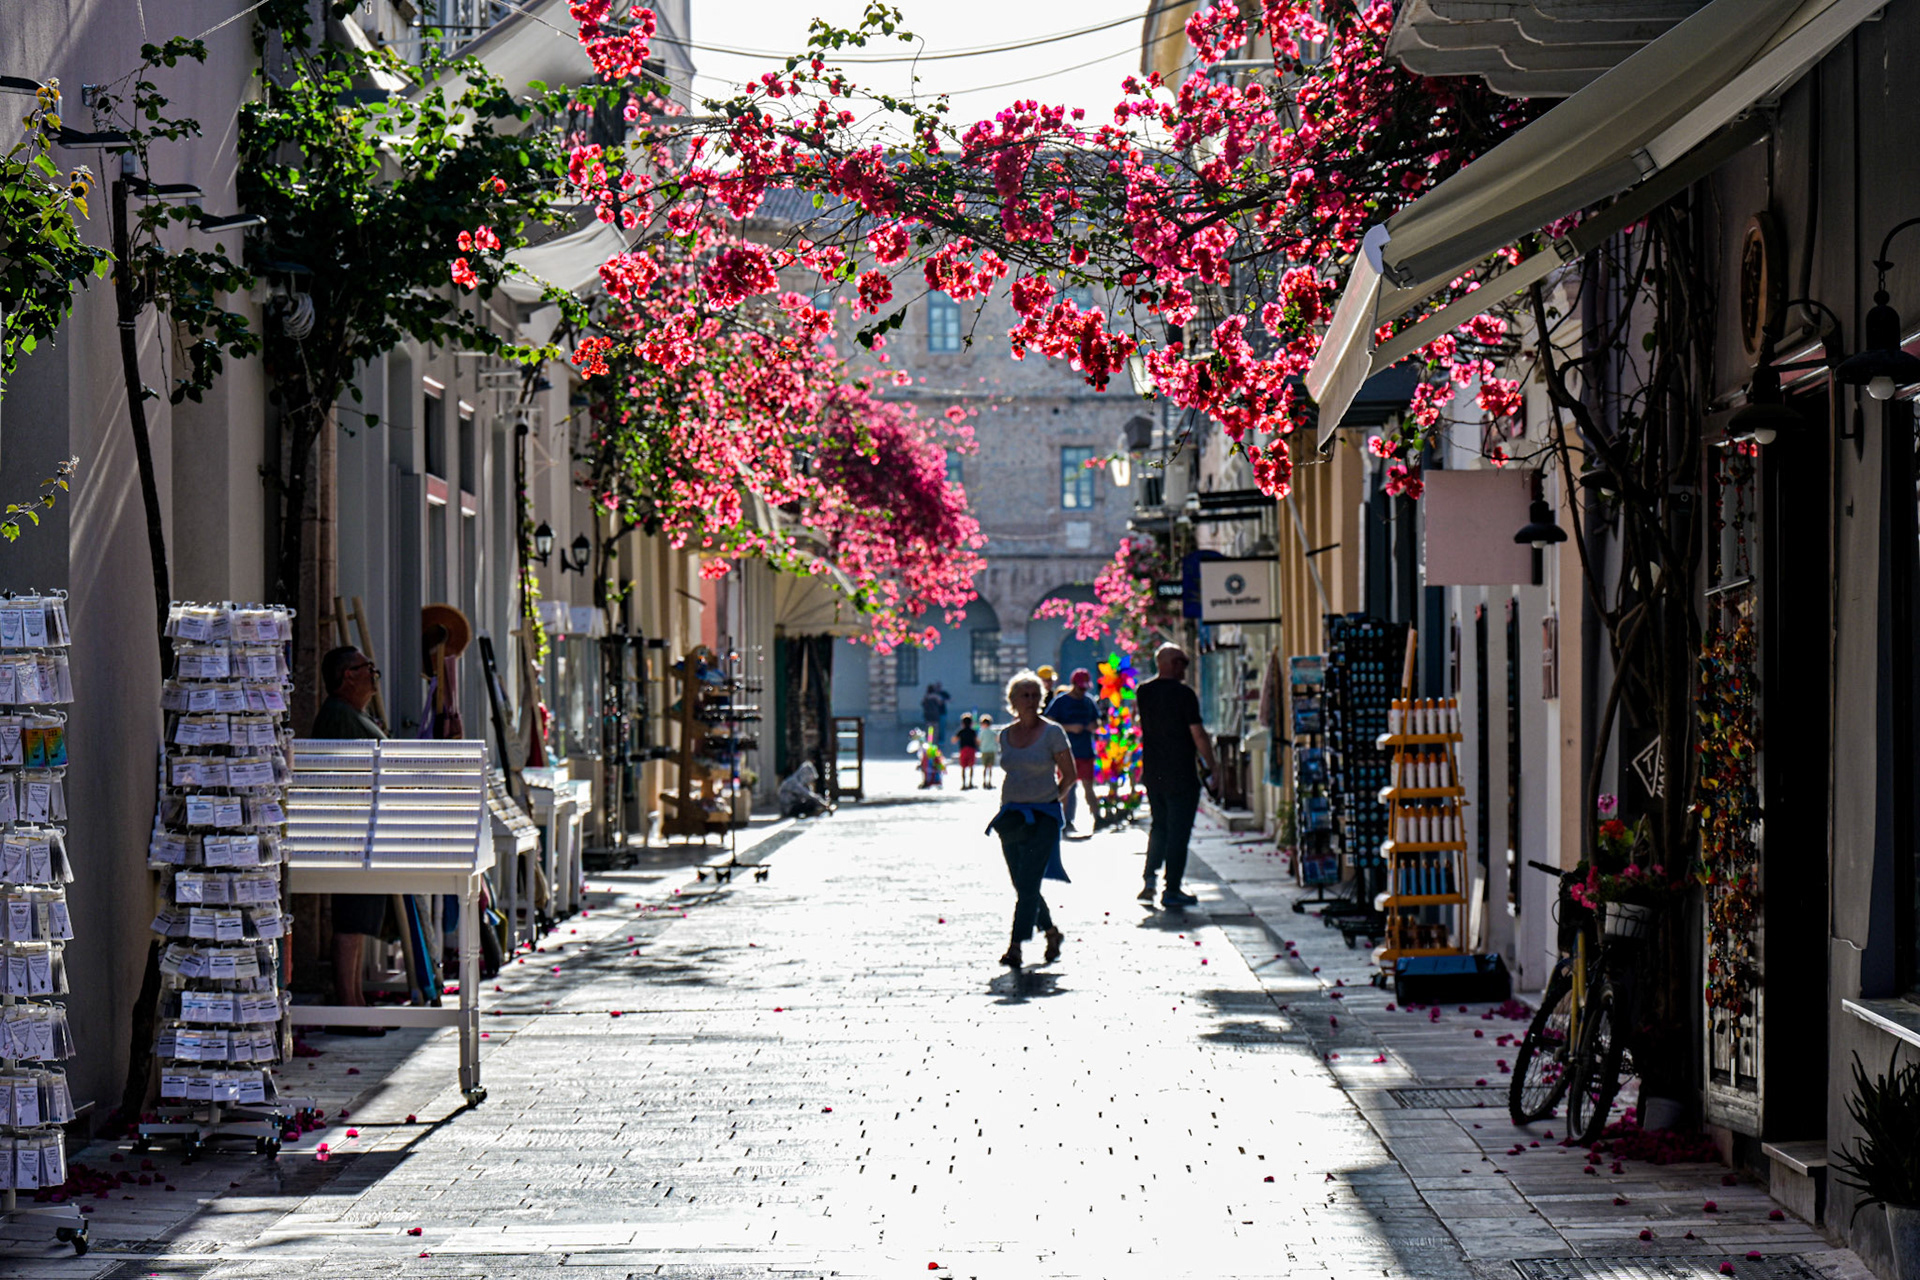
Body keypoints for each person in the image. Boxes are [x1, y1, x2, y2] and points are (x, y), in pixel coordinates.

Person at [314, 645, 388, 1034]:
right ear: (348, 676)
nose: (374, 674)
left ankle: (355, 1001)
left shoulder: (351, 714)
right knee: (351, 920)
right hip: (349, 834)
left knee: (358, 920)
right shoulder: (340, 715)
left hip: (360, 833)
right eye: (367, 668)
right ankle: (347, 1006)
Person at [986, 671, 1074, 969]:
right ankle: (1051, 932)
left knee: (1028, 882)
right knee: (1022, 884)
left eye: (1036, 695)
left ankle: (1015, 946)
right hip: (1011, 816)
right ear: (1012, 701)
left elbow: (1070, 774)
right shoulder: (1005, 735)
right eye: (1025, 695)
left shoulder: (1053, 732)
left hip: (1044, 815)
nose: (1031, 700)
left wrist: (1052, 797)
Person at [1135, 643, 1218, 911]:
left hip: (1154, 772)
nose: (1184, 667)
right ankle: (1172, 889)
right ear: (1168, 663)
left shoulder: (1144, 692)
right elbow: (1197, 733)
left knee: (1159, 826)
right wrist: (1212, 765)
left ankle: (1149, 880)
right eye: (1181, 662)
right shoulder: (1184, 695)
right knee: (1178, 832)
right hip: (1181, 773)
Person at [1044, 668, 1102, 834]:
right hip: (1065, 752)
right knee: (1067, 787)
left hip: (1085, 751)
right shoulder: (1061, 701)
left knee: (1088, 786)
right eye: (1080, 687)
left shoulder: (1088, 701)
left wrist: (1093, 726)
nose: (1083, 691)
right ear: (1073, 685)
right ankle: (1064, 820)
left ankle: (1097, 817)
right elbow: (1050, 723)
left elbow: (1096, 721)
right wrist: (1069, 727)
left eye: (1085, 688)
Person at [953, 714, 980, 789]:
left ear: (962, 723)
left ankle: (964, 784)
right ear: (971, 723)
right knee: (971, 766)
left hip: (963, 750)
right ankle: (970, 783)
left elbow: (954, 740)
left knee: (963, 767)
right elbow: (977, 741)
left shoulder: (961, 731)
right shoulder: (973, 731)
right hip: (971, 749)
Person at [920, 682, 951, 747]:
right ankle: (934, 743)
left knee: (929, 730)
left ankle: (929, 742)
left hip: (928, 716)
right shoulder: (936, 697)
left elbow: (922, 704)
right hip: (935, 716)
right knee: (936, 731)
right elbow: (940, 702)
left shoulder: (926, 697)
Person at [978, 714, 998, 790]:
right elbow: (997, 740)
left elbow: (979, 741)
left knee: (985, 767)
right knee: (990, 768)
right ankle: (989, 781)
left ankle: (984, 781)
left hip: (984, 751)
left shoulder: (982, 733)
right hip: (992, 751)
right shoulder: (993, 732)